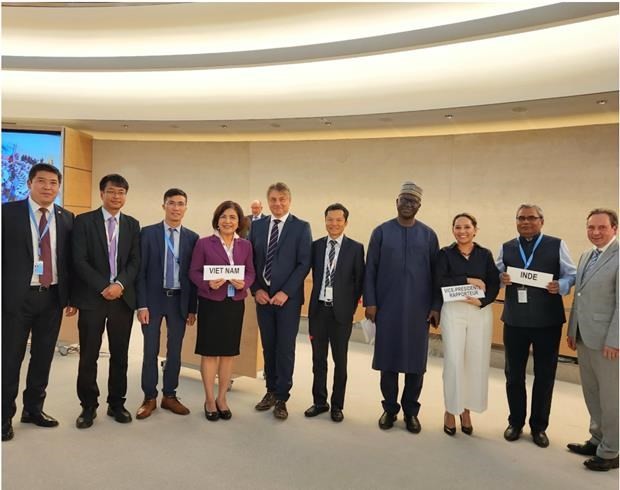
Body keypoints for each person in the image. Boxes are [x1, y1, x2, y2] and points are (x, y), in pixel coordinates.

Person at [2, 163, 76, 442]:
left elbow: (69, 261)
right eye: (42, 181)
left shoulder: (66, 217)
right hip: (15, 299)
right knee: (10, 359)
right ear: (29, 183)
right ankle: (3, 415)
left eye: (53, 182)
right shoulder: (7, 213)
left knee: (43, 357)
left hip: (52, 297)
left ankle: (33, 409)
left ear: (59, 187)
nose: (48, 187)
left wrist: (69, 297)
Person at [364, 181, 441, 433]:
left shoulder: (429, 235)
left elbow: (436, 274)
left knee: (415, 363)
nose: (408, 205)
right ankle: (389, 408)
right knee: (388, 361)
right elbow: (370, 270)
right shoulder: (381, 232)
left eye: (413, 201)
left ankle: (411, 411)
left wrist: (435, 306)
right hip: (387, 308)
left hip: (418, 311)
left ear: (419, 205)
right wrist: (371, 302)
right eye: (404, 200)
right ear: (396, 202)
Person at [496, 203, 576, 448]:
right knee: (513, 375)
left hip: (547, 322)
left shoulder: (556, 244)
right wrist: (501, 278)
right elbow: (495, 275)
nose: (526, 222)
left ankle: (539, 427)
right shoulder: (507, 247)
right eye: (521, 218)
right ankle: (515, 422)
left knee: (544, 376)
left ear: (542, 221)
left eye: (531, 218)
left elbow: (571, 274)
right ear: (516, 221)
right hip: (515, 321)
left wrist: (560, 286)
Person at [72, 174, 140, 429]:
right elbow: (79, 260)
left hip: (122, 299)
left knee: (120, 354)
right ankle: (88, 406)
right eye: (112, 191)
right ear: (101, 194)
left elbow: (135, 261)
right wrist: (104, 286)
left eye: (121, 192)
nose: (116, 196)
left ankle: (116, 403)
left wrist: (119, 285)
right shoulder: (84, 221)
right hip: (93, 298)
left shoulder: (132, 224)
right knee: (88, 354)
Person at [249, 182, 312, 420]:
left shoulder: (301, 227)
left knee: (285, 348)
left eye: (282, 199)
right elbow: (251, 262)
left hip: (288, 300)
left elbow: (303, 263)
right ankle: (270, 391)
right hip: (263, 299)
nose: (278, 203)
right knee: (269, 345)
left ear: (289, 201)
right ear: (268, 202)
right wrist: (256, 289)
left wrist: (285, 292)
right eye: (273, 199)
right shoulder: (258, 227)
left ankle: (282, 397)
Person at [135, 188, 199, 420]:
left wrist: (193, 307)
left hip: (179, 301)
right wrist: (141, 305)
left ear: (185, 207)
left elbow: (194, 276)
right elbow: (139, 273)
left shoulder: (193, 238)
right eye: (171, 203)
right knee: (150, 350)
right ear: (164, 206)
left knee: (175, 352)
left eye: (180, 203)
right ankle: (149, 397)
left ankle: (169, 395)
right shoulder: (148, 233)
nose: (176, 208)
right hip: (153, 301)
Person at [189, 201, 255, 421]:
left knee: (228, 353)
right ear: (217, 219)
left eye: (233, 217)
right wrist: (208, 284)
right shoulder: (204, 243)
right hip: (210, 303)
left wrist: (243, 283)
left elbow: (250, 273)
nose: (228, 221)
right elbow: (194, 272)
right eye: (224, 217)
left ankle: (222, 398)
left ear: (239, 222)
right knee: (209, 353)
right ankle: (209, 399)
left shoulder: (245, 245)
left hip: (234, 304)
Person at [435, 213, 499, 436]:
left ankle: (466, 410)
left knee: (475, 361)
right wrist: (467, 280)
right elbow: (439, 280)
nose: (462, 231)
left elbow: (494, 282)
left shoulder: (484, 254)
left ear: (475, 229)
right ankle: (451, 410)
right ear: (453, 230)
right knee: (453, 361)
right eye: (458, 227)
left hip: (479, 312)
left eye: (467, 227)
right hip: (453, 310)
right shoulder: (445, 253)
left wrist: (482, 301)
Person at [566, 208, 618, 471]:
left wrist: (615, 340)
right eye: (591, 228)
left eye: (601, 228)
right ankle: (597, 438)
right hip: (585, 337)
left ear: (614, 229)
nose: (595, 232)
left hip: (609, 343)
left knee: (612, 397)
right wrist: (571, 330)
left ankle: (611, 451)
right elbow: (580, 297)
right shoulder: (587, 255)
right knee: (592, 392)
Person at [305, 203, 364, 423]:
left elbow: (359, 281)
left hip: (341, 314)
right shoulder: (316, 246)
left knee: (341, 361)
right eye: (330, 219)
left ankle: (337, 405)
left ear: (346, 223)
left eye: (339, 220)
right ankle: (319, 402)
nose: (334, 224)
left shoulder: (356, 248)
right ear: (325, 220)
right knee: (318, 360)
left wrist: (350, 308)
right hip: (319, 311)